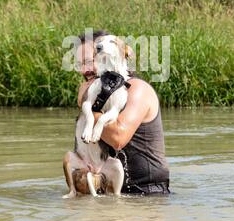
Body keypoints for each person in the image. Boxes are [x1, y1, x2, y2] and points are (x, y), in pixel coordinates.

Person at [67, 30, 170, 195]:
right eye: (80, 64)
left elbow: (117, 138)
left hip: (147, 196)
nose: (84, 70)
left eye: (90, 60)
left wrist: (86, 104)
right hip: (112, 195)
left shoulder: (137, 90)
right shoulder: (98, 95)